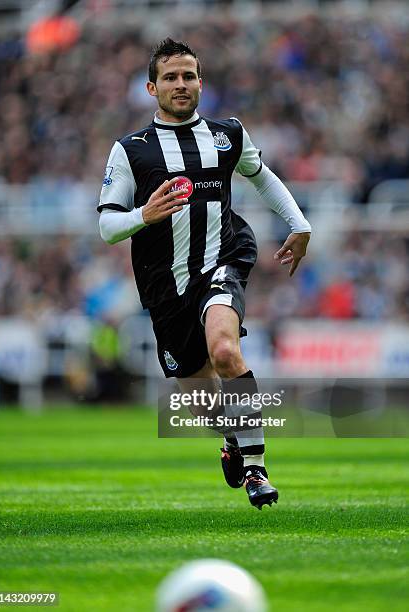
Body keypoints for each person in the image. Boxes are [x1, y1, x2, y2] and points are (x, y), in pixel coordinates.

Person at [98, 38, 311, 510]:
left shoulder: (228, 135)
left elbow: (263, 176)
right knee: (201, 405)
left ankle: (256, 468)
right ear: (152, 87)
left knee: (225, 349)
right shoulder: (131, 151)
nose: (181, 84)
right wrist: (143, 216)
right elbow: (107, 225)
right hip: (165, 285)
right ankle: (234, 439)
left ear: (201, 83)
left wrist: (299, 224)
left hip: (223, 261)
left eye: (189, 76)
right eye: (170, 77)